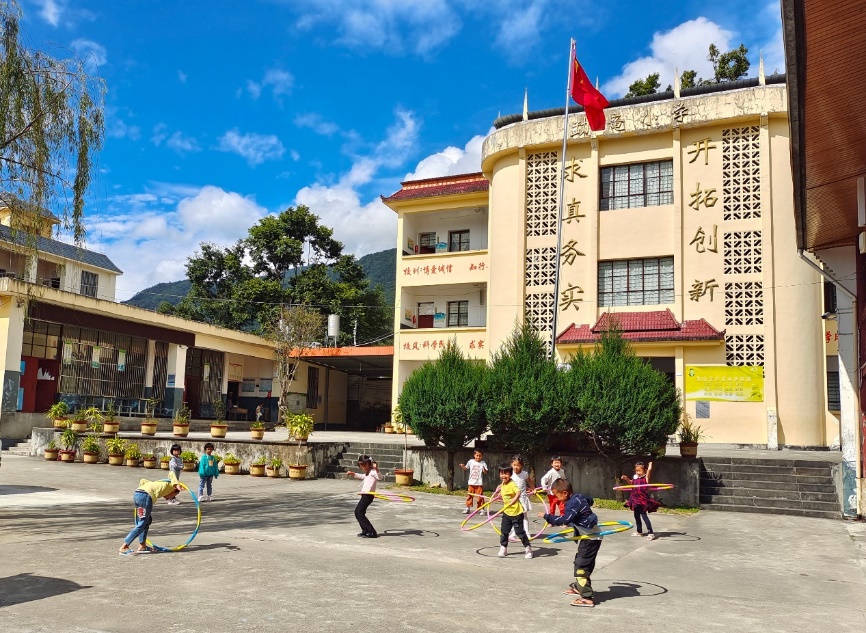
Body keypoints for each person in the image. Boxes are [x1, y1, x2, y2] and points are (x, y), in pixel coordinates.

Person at [538, 479, 601, 607]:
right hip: (588, 537)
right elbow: (590, 500)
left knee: (581, 566)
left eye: (557, 496)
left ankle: (587, 597)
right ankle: (579, 587)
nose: (557, 499)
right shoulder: (578, 497)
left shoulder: (572, 503)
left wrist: (547, 516)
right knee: (579, 561)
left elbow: (564, 520)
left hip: (591, 538)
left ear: (565, 493)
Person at [119, 473, 181, 555]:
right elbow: (171, 473)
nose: (169, 498)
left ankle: (142, 546)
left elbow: (142, 481)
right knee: (142, 522)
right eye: (173, 496)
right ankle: (124, 546)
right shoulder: (171, 485)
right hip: (145, 496)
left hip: (138, 494)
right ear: (174, 490)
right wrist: (177, 484)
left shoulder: (157, 484)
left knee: (147, 521)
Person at [497, 464, 532, 559]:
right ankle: (503, 547)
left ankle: (528, 548)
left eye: (506, 474)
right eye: (502, 473)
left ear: (510, 474)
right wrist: (498, 492)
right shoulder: (503, 484)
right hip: (507, 512)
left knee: (519, 532)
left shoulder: (512, 484)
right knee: (504, 531)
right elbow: (504, 494)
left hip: (516, 513)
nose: (503, 476)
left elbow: (518, 492)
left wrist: (513, 501)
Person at [621, 460, 659, 540]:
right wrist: (626, 478)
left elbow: (649, 470)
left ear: (644, 470)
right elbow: (631, 483)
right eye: (636, 471)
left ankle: (651, 533)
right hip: (634, 499)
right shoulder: (635, 478)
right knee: (636, 516)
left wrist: (650, 464)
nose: (638, 472)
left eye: (639, 471)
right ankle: (639, 531)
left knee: (644, 516)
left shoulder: (645, 478)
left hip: (642, 500)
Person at [346, 454, 381, 538]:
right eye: (361, 466)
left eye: (364, 465)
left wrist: (377, 469)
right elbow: (362, 476)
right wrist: (353, 474)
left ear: (369, 464)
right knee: (357, 512)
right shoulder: (368, 473)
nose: (363, 468)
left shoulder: (373, 472)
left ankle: (372, 532)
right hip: (365, 495)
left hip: (368, 496)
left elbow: (380, 477)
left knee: (360, 513)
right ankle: (365, 530)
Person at [459, 449, 488, 514]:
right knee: (470, 496)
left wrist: (484, 469)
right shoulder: (471, 461)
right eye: (477, 455)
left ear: (482, 456)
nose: (478, 457)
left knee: (480, 497)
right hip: (471, 483)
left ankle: (482, 509)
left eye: (480, 456)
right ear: (474, 455)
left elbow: (486, 472)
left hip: (479, 483)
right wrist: (463, 466)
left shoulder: (483, 463)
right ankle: (467, 508)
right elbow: (466, 468)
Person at [510, 454, 534, 536]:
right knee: (514, 516)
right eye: (514, 465)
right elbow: (505, 483)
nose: (516, 467)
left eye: (518, 465)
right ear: (511, 465)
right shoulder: (510, 473)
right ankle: (514, 532)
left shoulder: (524, 474)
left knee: (524, 516)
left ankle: (527, 532)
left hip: (522, 498)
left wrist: (533, 488)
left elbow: (530, 481)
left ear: (521, 466)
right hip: (513, 498)